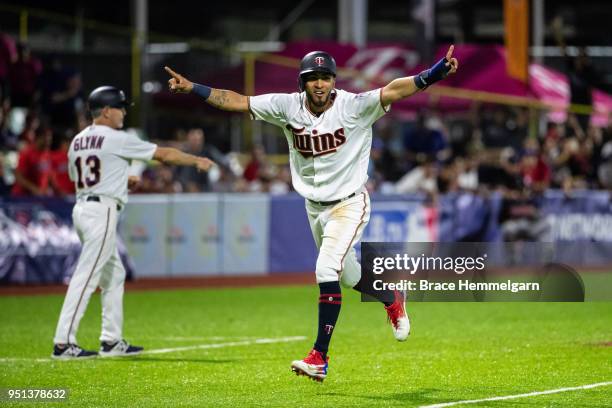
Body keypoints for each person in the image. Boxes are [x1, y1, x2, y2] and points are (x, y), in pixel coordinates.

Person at [165, 46, 459, 381]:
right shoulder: (286, 105)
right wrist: (194, 88)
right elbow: (237, 101)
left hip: (349, 202)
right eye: (312, 78)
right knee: (348, 277)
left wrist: (435, 72)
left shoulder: (354, 106)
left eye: (325, 77)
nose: (319, 83)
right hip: (314, 207)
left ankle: (319, 356)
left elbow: (395, 89)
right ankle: (392, 297)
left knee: (325, 268)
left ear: (333, 80)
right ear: (302, 82)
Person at [52, 86, 214, 360]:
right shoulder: (115, 138)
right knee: (87, 275)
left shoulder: (78, 140)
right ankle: (63, 343)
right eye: (120, 107)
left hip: (83, 208)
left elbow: (79, 176)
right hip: (101, 212)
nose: (124, 112)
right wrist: (195, 159)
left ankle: (111, 341)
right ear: (105, 111)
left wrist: (120, 179)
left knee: (114, 273)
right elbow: (164, 154)